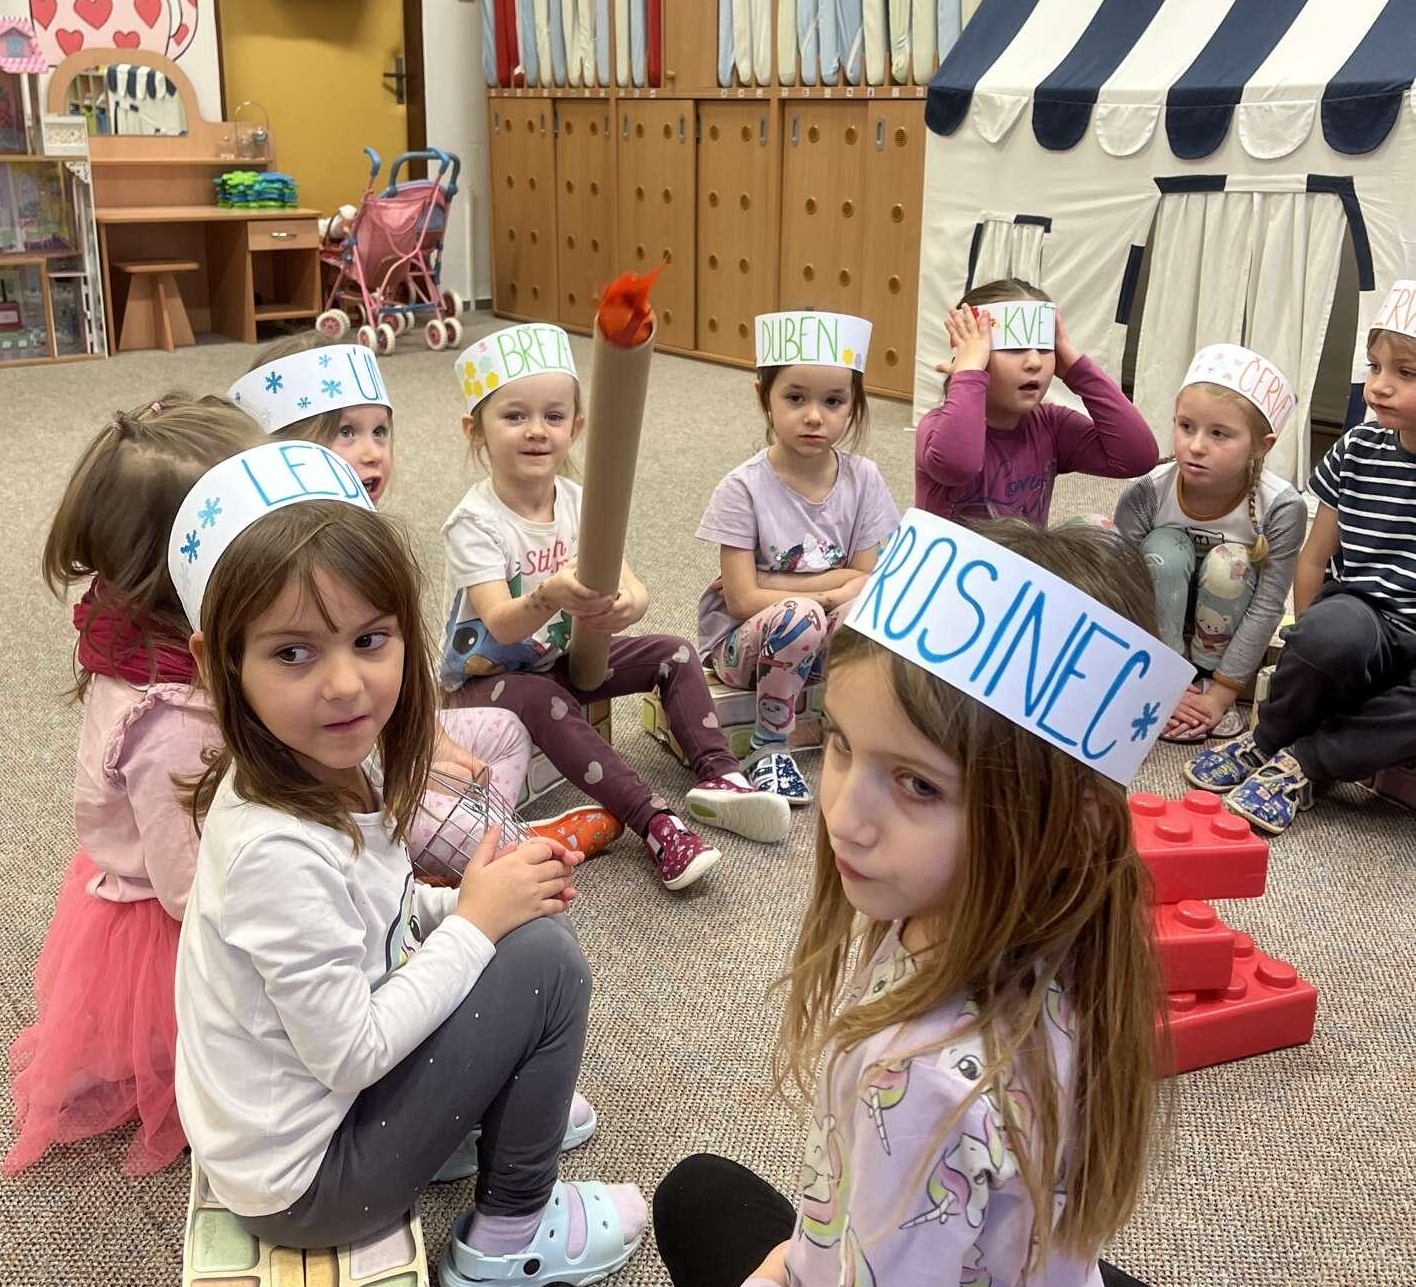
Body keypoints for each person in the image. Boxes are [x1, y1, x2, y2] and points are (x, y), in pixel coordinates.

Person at [656, 512, 1390, 1287]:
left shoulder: (914, 1080)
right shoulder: (1084, 936)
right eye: (843, 745)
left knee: (698, 1197)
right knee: (1004, 1219)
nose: (846, 814)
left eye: (917, 783)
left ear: (1058, 819)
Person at [173, 438, 645, 1287]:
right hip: (310, 1187)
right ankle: (512, 1235)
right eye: (292, 653)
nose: (345, 685)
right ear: (217, 664)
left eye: (369, 639)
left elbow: (373, 913)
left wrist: (457, 902)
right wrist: (475, 923)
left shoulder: (323, 763)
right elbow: (351, 1051)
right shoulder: (274, 849)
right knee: (546, 963)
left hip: (313, 1121)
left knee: (522, 931)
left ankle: (481, 1118)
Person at [231, 333, 615, 861]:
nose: (372, 451)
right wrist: (405, 762)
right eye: (345, 432)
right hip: (324, 765)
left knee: (506, 732)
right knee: (408, 816)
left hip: (390, 735)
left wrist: (432, 744)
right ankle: (507, 848)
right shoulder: (266, 564)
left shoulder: (373, 541)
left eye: (380, 431)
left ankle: (475, 843)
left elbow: (403, 669)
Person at [4, 394, 260, 1178]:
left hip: (150, 857)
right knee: (244, 1048)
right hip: (166, 910)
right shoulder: (173, 719)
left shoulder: (140, 634)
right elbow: (188, 891)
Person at [441, 323, 787, 893]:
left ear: (576, 429)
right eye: (514, 416)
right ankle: (654, 823)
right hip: (488, 682)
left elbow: (632, 585)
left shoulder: (581, 502)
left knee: (675, 652)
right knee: (545, 700)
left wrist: (629, 604)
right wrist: (550, 595)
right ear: (474, 430)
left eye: (554, 416)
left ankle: (721, 777)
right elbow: (500, 622)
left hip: (562, 660)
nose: (536, 430)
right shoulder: (475, 522)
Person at [1187, 285, 1416, 835]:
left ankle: (1306, 763)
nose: (1379, 385)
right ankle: (1267, 740)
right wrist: (1314, 648)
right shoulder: (1357, 449)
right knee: (1328, 634)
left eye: (1405, 373)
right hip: (1363, 612)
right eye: (1374, 366)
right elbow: (1314, 559)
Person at [696, 310, 898, 807]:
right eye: (795, 398)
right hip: (743, 650)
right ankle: (768, 747)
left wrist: (775, 580)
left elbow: (868, 578)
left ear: (854, 403)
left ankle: (851, 732)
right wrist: (830, 590)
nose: (814, 416)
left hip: (820, 641)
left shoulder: (864, 478)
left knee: (869, 607)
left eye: (833, 401)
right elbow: (742, 601)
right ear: (763, 397)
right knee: (801, 616)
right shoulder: (742, 488)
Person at [1114, 345, 1306, 744]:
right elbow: (1120, 584)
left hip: (1223, 639)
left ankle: (1203, 680)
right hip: (1159, 635)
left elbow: (1268, 605)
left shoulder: (1281, 507)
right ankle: (1170, 674)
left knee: (1229, 564)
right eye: (1186, 426)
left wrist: (1221, 694)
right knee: (1163, 549)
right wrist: (1155, 679)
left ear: (1262, 445)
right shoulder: (1148, 491)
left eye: (1219, 433)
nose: (1196, 445)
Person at [917, 278, 1157, 525]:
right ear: (972, 357)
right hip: (951, 552)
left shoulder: (1051, 426)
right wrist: (968, 372)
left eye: (1044, 348)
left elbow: (1138, 458)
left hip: (1023, 550)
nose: (1034, 362)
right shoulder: (935, 428)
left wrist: (1077, 370)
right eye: (1013, 348)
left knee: (1097, 528)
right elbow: (958, 465)